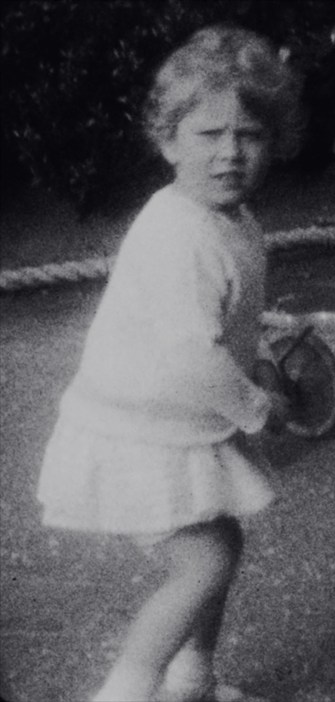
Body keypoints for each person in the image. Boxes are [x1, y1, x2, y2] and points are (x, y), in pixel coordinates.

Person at [36, 25, 304, 702]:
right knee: (203, 563)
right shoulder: (177, 235)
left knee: (219, 549)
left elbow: (239, 318)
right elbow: (191, 356)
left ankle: (191, 681)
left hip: (175, 424)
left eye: (249, 135)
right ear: (167, 142)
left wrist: (265, 360)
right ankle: (124, 693)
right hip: (135, 431)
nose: (230, 153)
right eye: (208, 135)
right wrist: (256, 407)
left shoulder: (233, 222)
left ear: (273, 142)